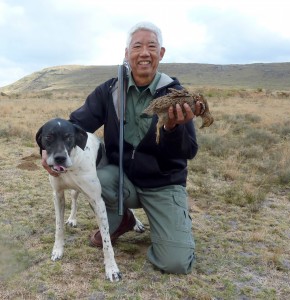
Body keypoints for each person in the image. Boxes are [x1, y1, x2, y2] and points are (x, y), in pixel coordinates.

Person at [42, 21, 204, 274]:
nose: (144, 53)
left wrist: (174, 128)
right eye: (137, 46)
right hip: (122, 180)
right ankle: (123, 218)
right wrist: (50, 151)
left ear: (161, 53)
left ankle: (171, 222)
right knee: (96, 177)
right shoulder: (109, 90)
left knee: (176, 263)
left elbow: (189, 151)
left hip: (162, 184)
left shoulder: (176, 94)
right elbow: (76, 125)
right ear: (127, 53)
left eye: (152, 46)